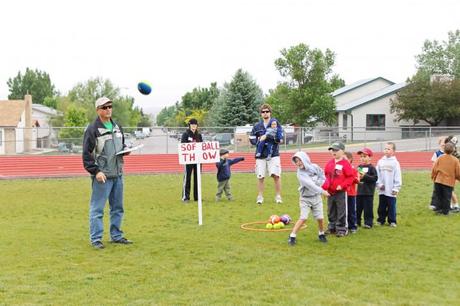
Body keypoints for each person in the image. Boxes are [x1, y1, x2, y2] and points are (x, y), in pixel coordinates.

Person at [82, 96, 133, 249]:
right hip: (102, 176)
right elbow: (86, 155)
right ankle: (96, 239)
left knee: (117, 208)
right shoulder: (92, 129)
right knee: (97, 209)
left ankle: (116, 235)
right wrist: (96, 171)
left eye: (110, 106)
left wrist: (125, 151)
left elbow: (120, 146)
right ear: (98, 110)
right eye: (105, 107)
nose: (108, 109)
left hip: (117, 174)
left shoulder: (117, 127)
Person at [288, 151, 329, 245]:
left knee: (320, 218)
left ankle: (321, 234)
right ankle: (292, 236)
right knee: (303, 217)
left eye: (300, 160)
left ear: (305, 159)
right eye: (296, 161)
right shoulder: (300, 174)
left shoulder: (314, 167)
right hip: (305, 198)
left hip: (316, 197)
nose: (298, 163)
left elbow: (322, 176)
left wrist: (319, 183)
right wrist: (322, 191)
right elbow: (310, 185)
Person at [249, 103, 283, 205]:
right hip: (260, 155)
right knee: (260, 176)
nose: (265, 113)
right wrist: (259, 140)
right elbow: (251, 139)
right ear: (261, 114)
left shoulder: (275, 123)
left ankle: (278, 196)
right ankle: (260, 196)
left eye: (267, 111)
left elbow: (280, 137)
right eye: (263, 112)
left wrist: (272, 138)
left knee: (276, 175)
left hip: (273, 154)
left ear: (270, 112)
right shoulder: (257, 126)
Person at [323, 142, 355, 237]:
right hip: (330, 192)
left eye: (336, 150)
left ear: (342, 151)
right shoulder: (329, 163)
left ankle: (342, 229)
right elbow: (325, 177)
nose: (334, 152)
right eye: (332, 150)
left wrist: (342, 185)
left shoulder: (345, 164)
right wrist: (324, 189)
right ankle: (332, 227)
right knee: (330, 210)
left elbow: (350, 177)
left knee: (341, 210)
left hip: (341, 192)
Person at [376, 142, 402, 227]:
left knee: (391, 206)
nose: (386, 150)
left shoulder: (395, 163)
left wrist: (396, 188)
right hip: (382, 190)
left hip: (391, 190)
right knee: (382, 206)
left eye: (389, 149)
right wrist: (379, 184)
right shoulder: (380, 162)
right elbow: (377, 174)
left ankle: (392, 221)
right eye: (385, 148)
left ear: (393, 151)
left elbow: (398, 176)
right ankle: (381, 220)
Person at [431, 142, 460, 215]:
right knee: (447, 197)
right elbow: (458, 172)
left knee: (439, 196)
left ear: (444, 149)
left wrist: (433, 177)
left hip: (438, 180)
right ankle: (445, 211)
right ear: (453, 150)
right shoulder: (455, 160)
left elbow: (434, 168)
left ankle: (438, 209)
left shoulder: (440, 158)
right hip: (448, 182)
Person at [180, 118, 203, 202]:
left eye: (195, 125)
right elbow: (183, 146)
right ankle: (186, 197)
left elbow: (201, 147)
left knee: (197, 179)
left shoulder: (199, 135)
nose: (194, 126)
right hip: (189, 160)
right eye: (192, 125)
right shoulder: (185, 135)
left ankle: (197, 197)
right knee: (187, 178)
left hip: (198, 160)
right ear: (189, 126)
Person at [356, 148, 378, 229]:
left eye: (364, 156)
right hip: (359, 192)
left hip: (368, 192)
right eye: (361, 156)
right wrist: (357, 178)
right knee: (357, 208)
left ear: (370, 157)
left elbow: (374, 178)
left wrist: (365, 176)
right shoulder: (359, 167)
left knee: (368, 209)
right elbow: (358, 177)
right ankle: (356, 222)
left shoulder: (372, 168)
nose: (362, 158)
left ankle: (368, 223)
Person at [344, 151, 359, 234]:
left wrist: (352, 177)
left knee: (351, 210)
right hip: (343, 193)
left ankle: (353, 226)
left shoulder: (353, 169)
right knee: (343, 210)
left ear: (350, 160)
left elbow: (357, 180)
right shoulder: (341, 168)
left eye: (345, 159)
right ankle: (344, 225)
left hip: (351, 194)